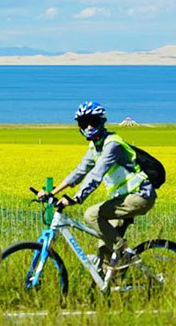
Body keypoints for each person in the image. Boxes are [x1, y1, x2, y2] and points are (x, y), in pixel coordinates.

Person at [36, 101, 156, 268]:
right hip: (123, 199)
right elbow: (79, 172)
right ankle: (115, 285)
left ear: (102, 122)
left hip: (140, 195)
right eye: (85, 123)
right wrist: (53, 192)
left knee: (91, 214)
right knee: (105, 250)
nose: (90, 127)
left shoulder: (112, 144)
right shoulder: (95, 147)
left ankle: (126, 253)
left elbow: (96, 174)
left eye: (94, 122)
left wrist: (76, 198)